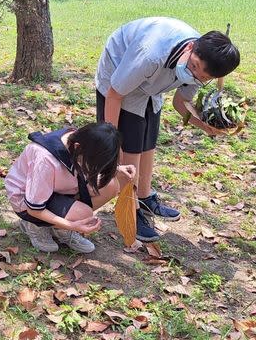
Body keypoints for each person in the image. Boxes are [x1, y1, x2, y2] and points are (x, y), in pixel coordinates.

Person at [95, 17, 240, 242]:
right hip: (119, 74)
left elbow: (179, 103)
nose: (193, 76)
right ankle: (129, 209)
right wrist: (111, 142)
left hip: (153, 84)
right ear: (191, 47)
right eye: (193, 68)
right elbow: (114, 95)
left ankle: (144, 196)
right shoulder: (150, 54)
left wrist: (205, 126)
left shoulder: (201, 70)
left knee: (148, 139)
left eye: (202, 77)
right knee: (130, 147)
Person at [5, 123, 136, 253]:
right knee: (83, 214)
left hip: (58, 188)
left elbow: (87, 164)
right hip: (29, 201)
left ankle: (58, 228)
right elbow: (33, 208)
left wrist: (115, 168)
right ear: (77, 147)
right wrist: (71, 225)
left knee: (111, 186)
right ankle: (35, 225)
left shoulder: (82, 140)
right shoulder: (46, 159)